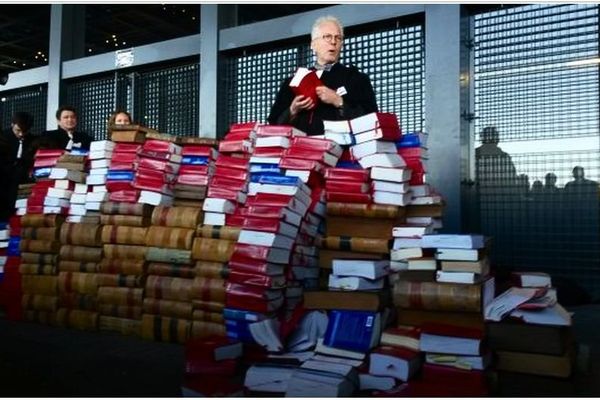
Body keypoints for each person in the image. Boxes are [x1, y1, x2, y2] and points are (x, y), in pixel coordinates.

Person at [268, 15, 378, 135]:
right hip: (300, 150)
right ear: (313, 44)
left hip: (340, 149)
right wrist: (292, 110)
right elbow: (273, 125)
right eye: (327, 37)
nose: (333, 42)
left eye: (338, 38)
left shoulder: (356, 79)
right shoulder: (292, 82)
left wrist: (338, 101)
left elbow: (373, 122)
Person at [0, 112, 37, 220]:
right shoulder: (3, 137)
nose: (21, 134)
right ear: (12, 124)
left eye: (24, 131)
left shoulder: (32, 140)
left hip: (21, 181)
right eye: (18, 130)